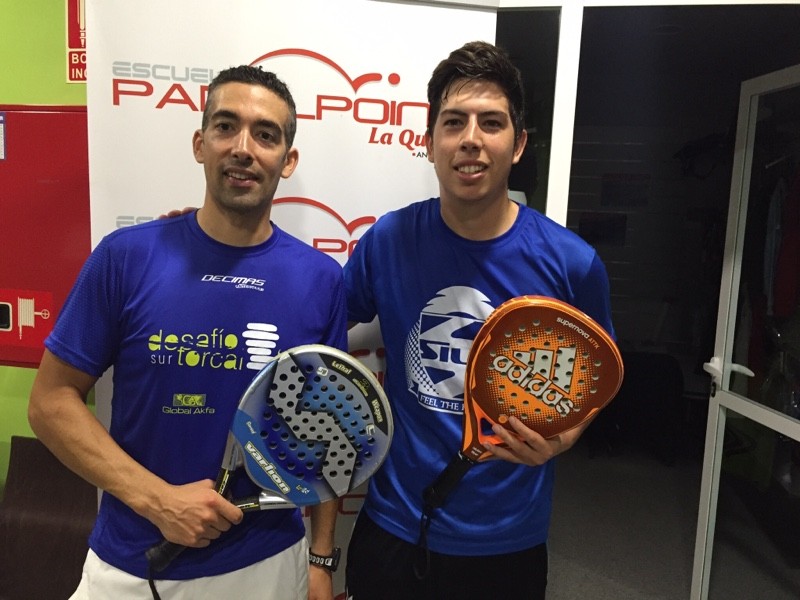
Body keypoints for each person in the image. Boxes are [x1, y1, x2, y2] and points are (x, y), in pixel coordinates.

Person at [27, 65, 346, 600]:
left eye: (265, 135)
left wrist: (320, 557)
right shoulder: (125, 257)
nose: (243, 148)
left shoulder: (321, 280)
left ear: (287, 160)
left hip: (267, 560)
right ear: (200, 144)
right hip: (132, 562)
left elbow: (328, 429)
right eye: (226, 127)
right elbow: (49, 402)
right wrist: (157, 500)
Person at [342, 41, 615, 600]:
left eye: (491, 123)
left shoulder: (573, 263)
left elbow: (598, 376)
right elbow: (316, 318)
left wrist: (565, 437)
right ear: (429, 143)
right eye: (454, 122)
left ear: (518, 145)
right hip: (393, 528)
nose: (471, 139)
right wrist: (223, 247)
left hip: (507, 542)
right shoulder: (389, 241)